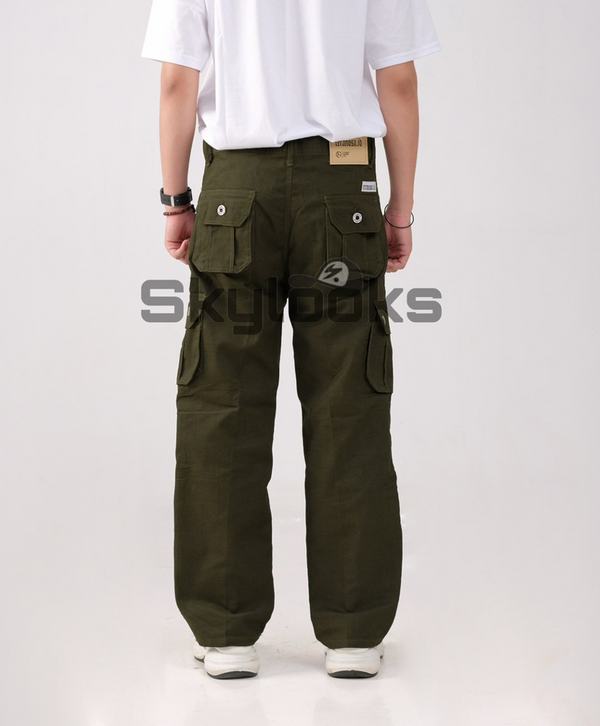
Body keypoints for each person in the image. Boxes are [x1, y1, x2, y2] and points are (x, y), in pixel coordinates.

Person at [141, 0, 441, 679]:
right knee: (348, 407)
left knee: (223, 406)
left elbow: (176, 81)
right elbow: (398, 82)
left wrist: (176, 200)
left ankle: (226, 633)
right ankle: (354, 634)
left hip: (235, 192)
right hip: (343, 189)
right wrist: (399, 210)